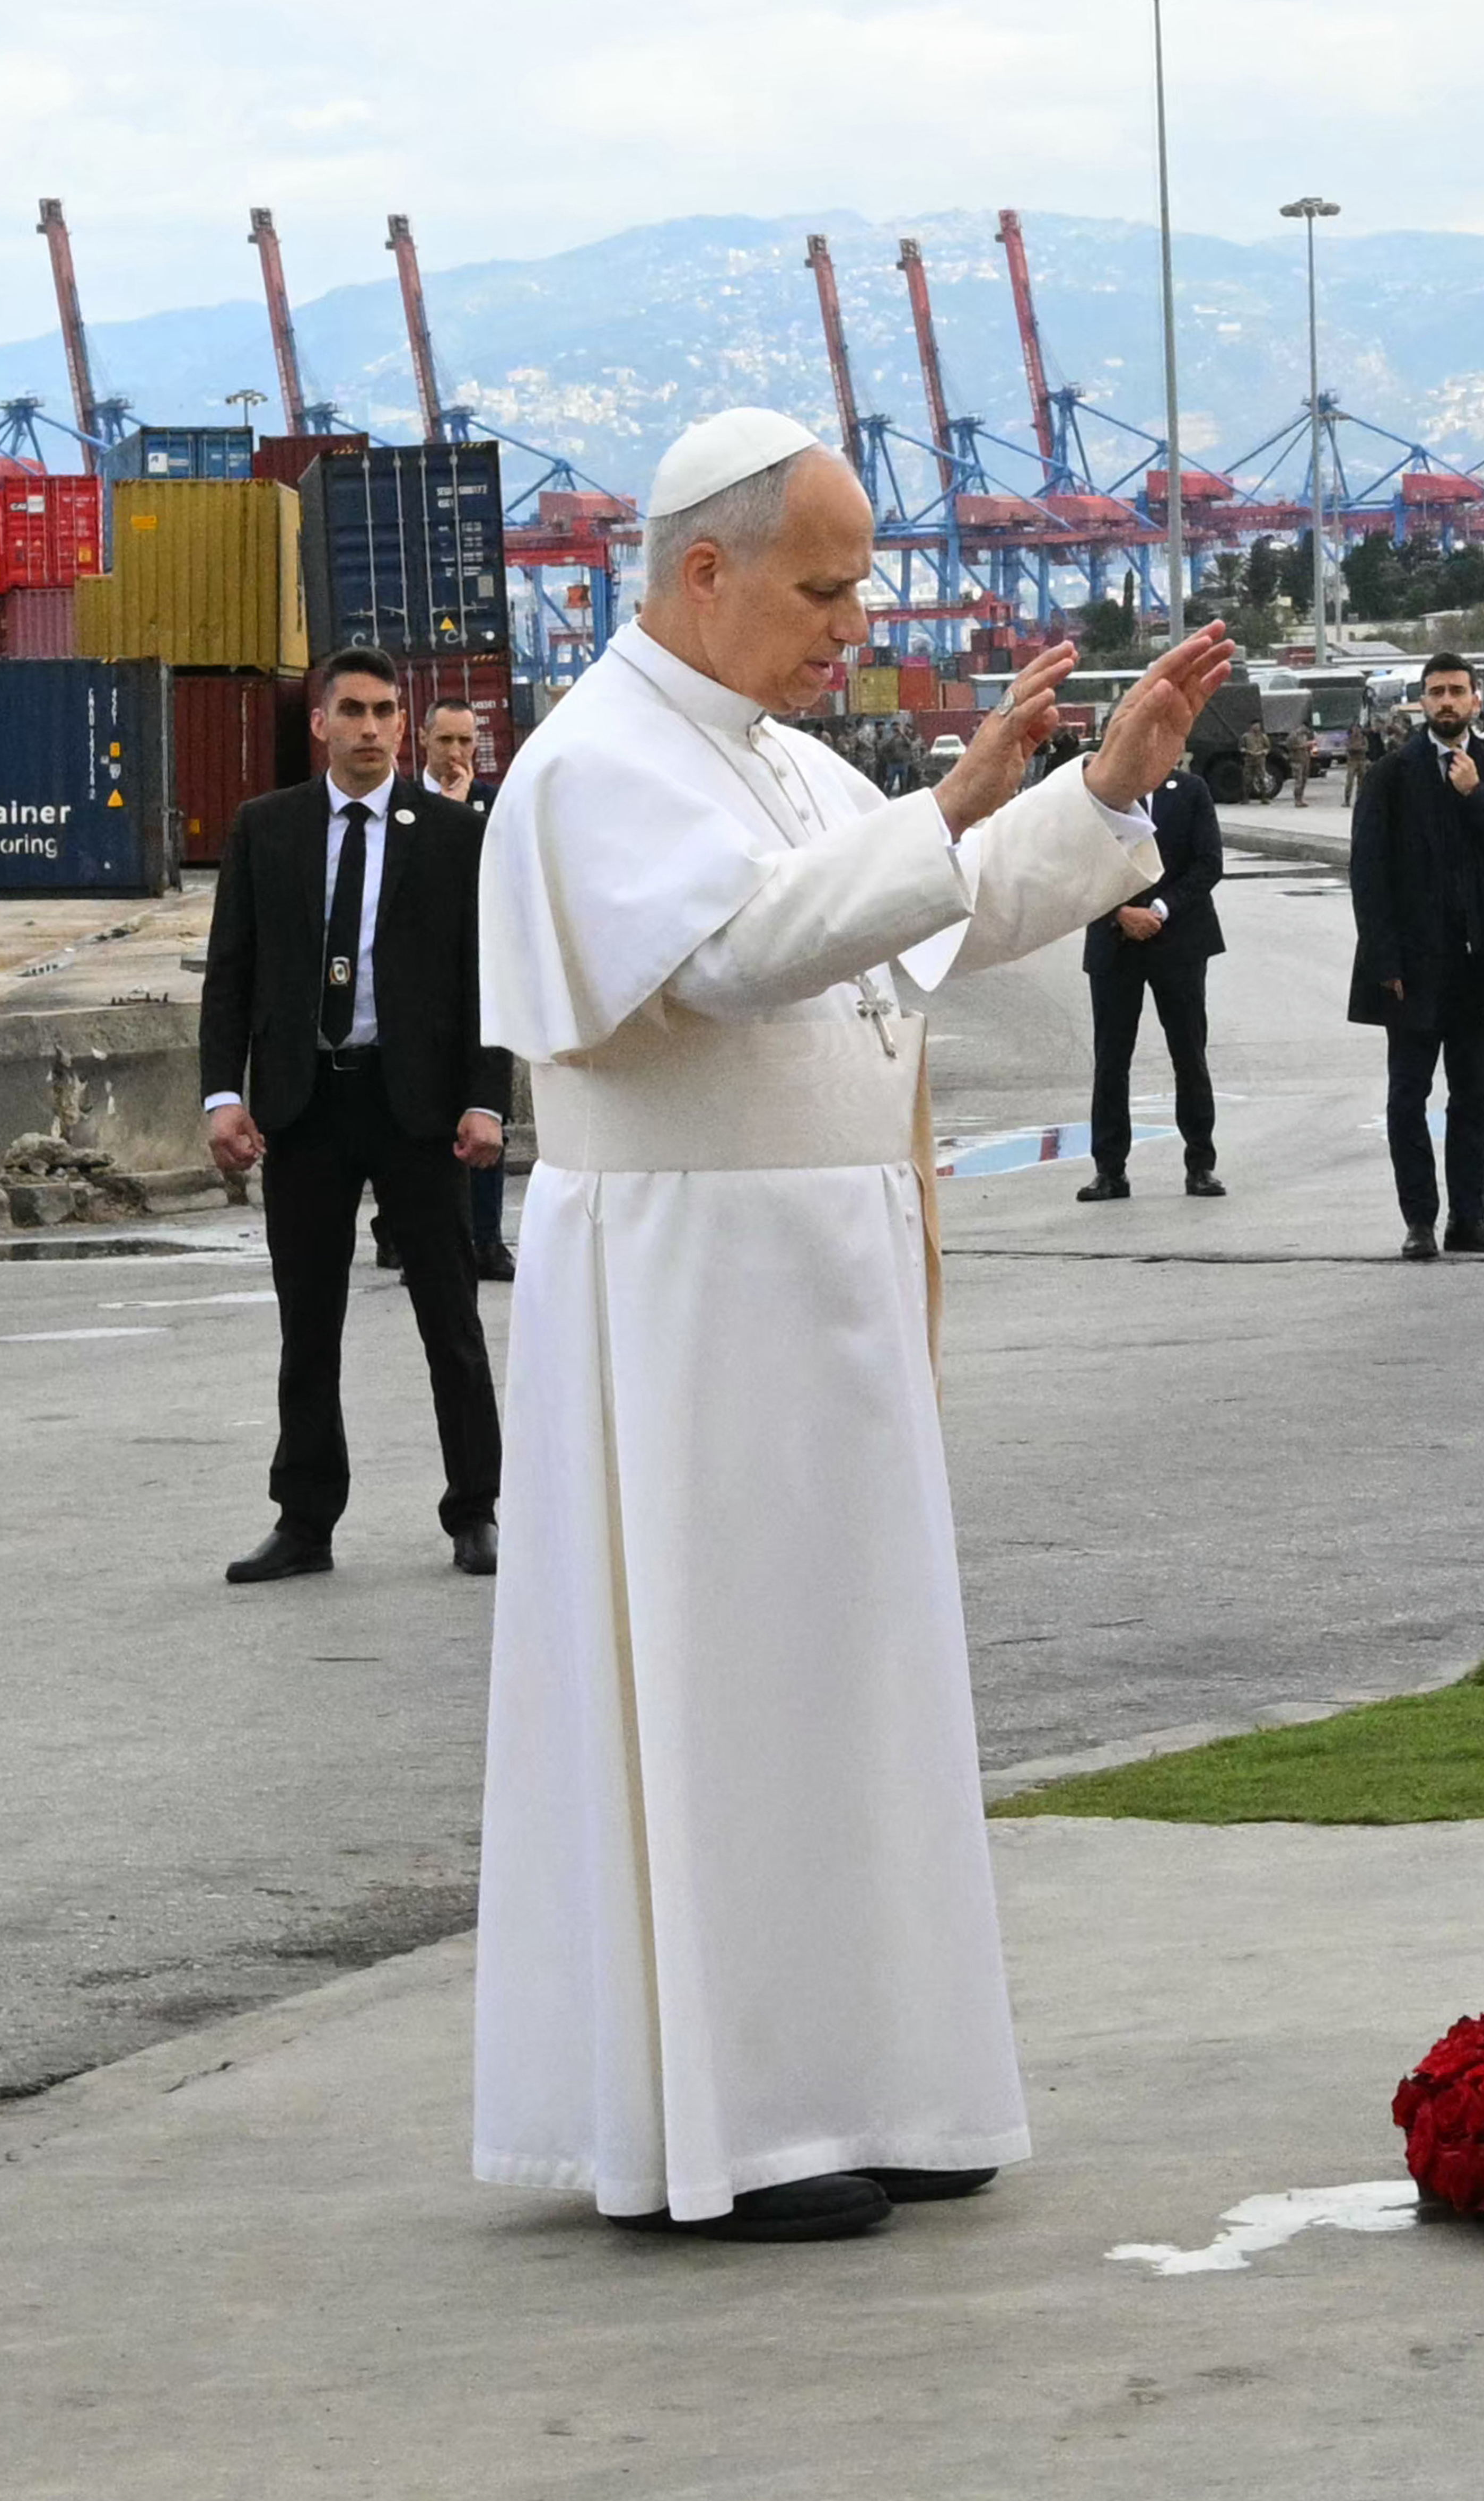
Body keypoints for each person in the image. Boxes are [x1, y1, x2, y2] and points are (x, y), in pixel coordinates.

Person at [469, 405, 1237, 2244]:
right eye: (821, 591)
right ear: (704, 571)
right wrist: (953, 802)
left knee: (849, 1688)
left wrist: (1103, 795)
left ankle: (871, 2079)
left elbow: (928, 918)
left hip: (821, 1285)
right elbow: (734, 959)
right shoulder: (596, 765)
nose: (846, 626)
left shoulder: (787, 760)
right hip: (691, 1295)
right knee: (726, 1687)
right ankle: (739, 2116)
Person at [199, 647, 507, 1584]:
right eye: (355, 712)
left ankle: (475, 1512)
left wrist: (488, 1098)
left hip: (416, 1109)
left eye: (387, 713)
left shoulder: (453, 836)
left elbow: (485, 978)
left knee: (449, 1316)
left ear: (403, 727)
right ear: (320, 724)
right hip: (306, 1103)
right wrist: (224, 1095)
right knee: (309, 1321)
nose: (372, 728)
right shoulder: (267, 829)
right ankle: (304, 1520)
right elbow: (233, 974)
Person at [1349, 650, 1484, 1260]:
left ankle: (1469, 1220)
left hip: (1475, 965)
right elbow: (1368, 876)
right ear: (1422, 702)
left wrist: (1476, 795)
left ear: (1477, 700)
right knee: (1407, 1098)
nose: (1447, 701)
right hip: (1411, 969)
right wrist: (1385, 964)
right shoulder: (1391, 775)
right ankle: (1420, 1222)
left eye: (1458, 690)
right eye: (1437, 692)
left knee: (1471, 1101)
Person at [1078, 754, 1223, 1203]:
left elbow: (1208, 863)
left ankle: (1201, 1164)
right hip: (1113, 940)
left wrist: (1160, 909)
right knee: (1111, 1059)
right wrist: (1120, 913)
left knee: (1189, 1053)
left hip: (1177, 939)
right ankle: (1109, 1170)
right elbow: (1077, 867)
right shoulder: (1095, 796)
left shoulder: (1191, 790)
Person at [417, 698, 522, 1283]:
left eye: (466, 743)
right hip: (418, 990)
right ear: (424, 742)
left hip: (482, 984)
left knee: (486, 1116)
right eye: (446, 742)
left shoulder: (494, 808)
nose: (457, 755)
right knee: (418, 1126)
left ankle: (487, 1239)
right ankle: (414, 1239)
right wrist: (445, 818)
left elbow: (506, 876)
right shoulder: (405, 807)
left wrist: (463, 817)